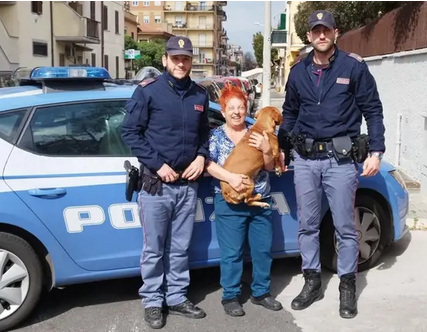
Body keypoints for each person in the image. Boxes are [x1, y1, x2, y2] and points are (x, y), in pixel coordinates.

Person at [277, 10, 386, 319]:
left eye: (326, 30)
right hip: (306, 161)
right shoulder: (298, 71)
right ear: (309, 36)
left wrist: (376, 150)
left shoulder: (354, 68)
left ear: (336, 33)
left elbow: (373, 110)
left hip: (341, 162)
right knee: (307, 225)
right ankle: (312, 281)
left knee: (345, 228)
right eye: (316, 30)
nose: (321, 35)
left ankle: (347, 286)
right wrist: (283, 149)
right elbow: (290, 114)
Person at [121, 36, 210, 329]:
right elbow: (130, 133)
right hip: (156, 186)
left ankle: (176, 296)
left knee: (180, 247)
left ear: (191, 61)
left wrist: (201, 156)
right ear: (165, 60)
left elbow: (205, 136)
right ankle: (152, 301)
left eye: (185, 58)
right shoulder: (148, 93)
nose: (181, 63)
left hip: (188, 185)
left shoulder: (200, 95)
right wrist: (158, 165)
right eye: (175, 58)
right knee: (154, 248)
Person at [206, 83, 283, 317]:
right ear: (223, 111)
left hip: (260, 196)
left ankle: (261, 292)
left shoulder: (258, 131)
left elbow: (269, 167)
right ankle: (230, 296)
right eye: (231, 108)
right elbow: (208, 165)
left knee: (262, 250)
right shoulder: (215, 136)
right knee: (232, 253)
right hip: (228, 201)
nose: (237, 112)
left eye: (241, 107)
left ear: (246, 110)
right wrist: (231, 178)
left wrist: (267, 150)